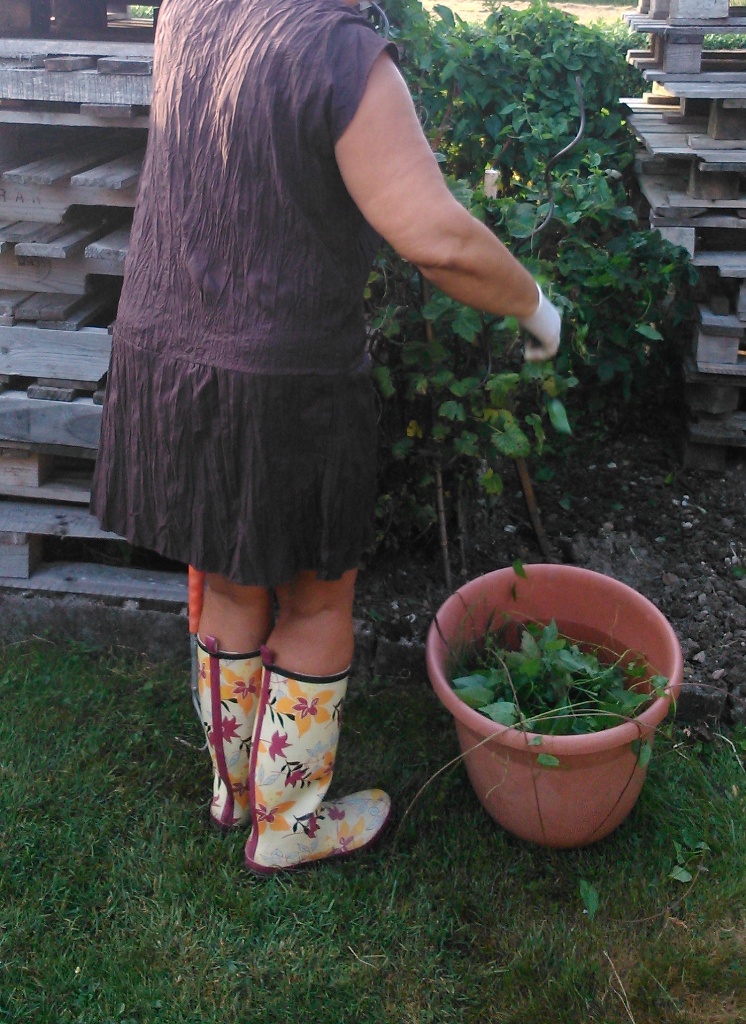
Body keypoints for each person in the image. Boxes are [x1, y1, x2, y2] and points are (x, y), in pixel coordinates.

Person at [91, 0, 561, 875]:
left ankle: (235, 791)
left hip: (169, 351)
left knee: (228, 578)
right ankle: (291, 823)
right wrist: (538, 308)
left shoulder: (190, 10)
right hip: (282, 379)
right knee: (314, 600)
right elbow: (437, 238)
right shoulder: (342, 56)